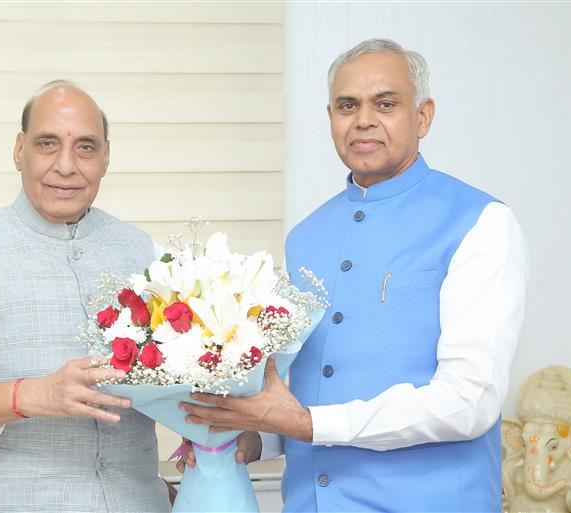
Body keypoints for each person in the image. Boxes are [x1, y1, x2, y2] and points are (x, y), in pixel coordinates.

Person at [179, 38, 529, 512]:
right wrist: (253, 435)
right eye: (348, 105)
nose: (364, 119)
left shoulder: (480, 222)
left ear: (423, 116)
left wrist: (308, 424)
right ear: (331, 119)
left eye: (385, 104)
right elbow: (305, 387)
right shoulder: (305, 237)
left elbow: (469, 403)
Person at [0, 80, 171, 513]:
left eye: (85, 147)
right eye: (48, 144)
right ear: (18, 151)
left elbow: (180, 378)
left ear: (105, 157)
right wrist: (34, 396)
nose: (66, 165)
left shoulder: (146, 254)